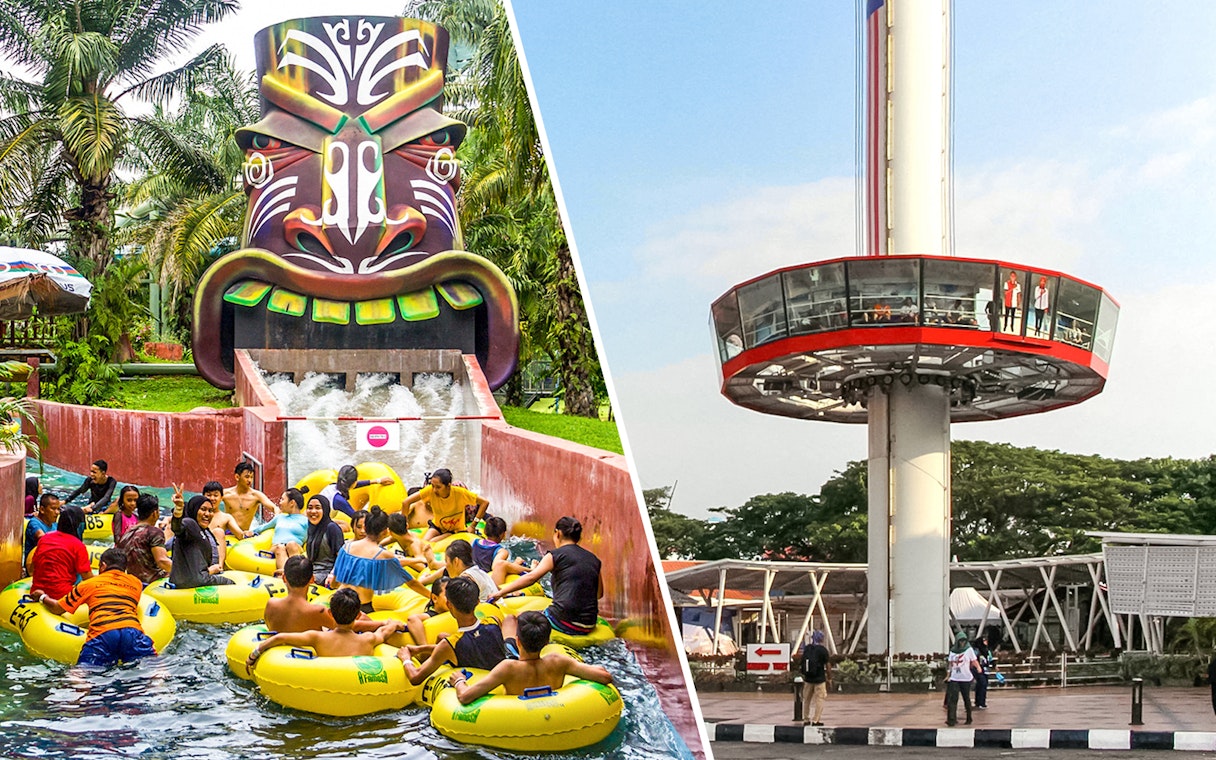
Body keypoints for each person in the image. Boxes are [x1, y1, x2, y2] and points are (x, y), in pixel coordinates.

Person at [447, 610, 613, 705]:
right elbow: (605, 676)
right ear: (547, 641)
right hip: (556, 715)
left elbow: (465, 697)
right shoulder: (558, 661)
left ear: (519, 641)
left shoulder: (508, 668)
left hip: (518, 722)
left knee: (508, 632)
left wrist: (459, 681)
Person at [35, 547, 157, 667]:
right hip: (132, 631)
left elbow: (57, 608)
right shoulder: (136, 583)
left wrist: (42, 597)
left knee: (81, 675)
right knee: (154, 670)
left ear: (103, 566)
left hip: (103, 632)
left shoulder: (88, 584)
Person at [489, 516, 602, 637]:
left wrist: (499, 593)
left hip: (562, 620)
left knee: (512, 620)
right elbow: (599, 594)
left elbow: (531, 578)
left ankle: (512, 649)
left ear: (557, 533)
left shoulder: (555, 555)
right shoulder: (594, 559)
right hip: (589, 623)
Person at [398, 576, 517, 685]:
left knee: (443, 638)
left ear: (449, 605)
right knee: (442, 636)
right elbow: (480, 644)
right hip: (503, 676)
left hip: (478, 683)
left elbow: (415, 677)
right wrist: (422, 648)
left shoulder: (449, 645)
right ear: (477, 602)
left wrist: (405, 658)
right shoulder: (494, 621)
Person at [246, 587, 401, 668]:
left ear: (329, 613)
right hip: (357, 685)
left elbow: (280, 637)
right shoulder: (368, 639)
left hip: (325, 680)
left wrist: (253, 655)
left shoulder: (317, 637)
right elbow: (384, 632)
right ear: (358, 615)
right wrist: (393, 624)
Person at [404, 539, 497, 646]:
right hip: (495, 615)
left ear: (456, 561)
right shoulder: (479, 572)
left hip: (483, 618)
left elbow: (461, 609)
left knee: (441, 636)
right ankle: (433, 564)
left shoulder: (465, 581)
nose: (446, 566)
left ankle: (424, 648)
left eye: (447, 562)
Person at [264, 555, 389, 633]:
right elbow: (348, 626)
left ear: (284, 578)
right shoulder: (317, 611)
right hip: (308, 661)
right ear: (312, 580)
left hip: (277, 660)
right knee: (360, 616)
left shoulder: (271, 604)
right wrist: (383, 623)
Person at [331, 506, 416, 613]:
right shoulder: (383, 555)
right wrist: (430, 596)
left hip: (338, 601)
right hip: (361, 606)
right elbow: (411, 582)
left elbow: (334, 582)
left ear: (366, 527)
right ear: (386, 531)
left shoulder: (346, 547)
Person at [168, 492, 234, 588]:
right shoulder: (189, 524)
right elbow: (177, 528)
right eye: (203, 509)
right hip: (197, 581)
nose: (207, 514)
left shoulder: (204, 531)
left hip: (200, 577)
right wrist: (178, 509)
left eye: (210, 510)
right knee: (231, 584)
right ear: (194, 510)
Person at [402, 469, 489, 541]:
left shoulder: (460, 493)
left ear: (448, 486)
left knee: (432, 542)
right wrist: (404, 526)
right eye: (433, 486)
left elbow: (485, 502)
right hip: (437, 526)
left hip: (455, 530)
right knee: (424, 543)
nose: (435, 490)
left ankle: (447, 535)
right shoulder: (430, 491)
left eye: (438, 487)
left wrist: (473, 525)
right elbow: (406, 502)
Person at [29, 505, 94, 601]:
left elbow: (32, 568)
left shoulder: (44, 539)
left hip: (36, 590)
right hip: (62, 595)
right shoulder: (78, 546)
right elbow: (88, 579)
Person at [116, 493, 172, 585]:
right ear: (154, 513)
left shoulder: (127, 534)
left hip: (134, 582)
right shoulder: (154, 532)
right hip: (153, 582)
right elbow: (162, 561)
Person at [253, 489, 308, 576]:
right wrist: (249, 532)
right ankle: (286, 575)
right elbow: (263, 527)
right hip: (276, 548)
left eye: (282, 499)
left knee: (291, 544)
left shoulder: (305, 521)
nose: (280, 503)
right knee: (280, 547)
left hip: (295, 547)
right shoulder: (279, 517)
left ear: (292, 503)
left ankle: (296, 573)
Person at [473, 516, 535, 587]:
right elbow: (498, 567)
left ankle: (517, 565)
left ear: (485, 531)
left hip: (475, 577)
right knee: (503, 565)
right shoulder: (501, 551)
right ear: (502, 534)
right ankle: (531, 570)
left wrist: (515, 564)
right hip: (488, 582)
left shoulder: (474, 542)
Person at [222, 461, 278, 533]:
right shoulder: (225, 493)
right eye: (247, 477)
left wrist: (278, 516)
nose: (250, 480)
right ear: (237, 477)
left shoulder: (256, 495)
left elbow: (274, 507)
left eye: (251, 477)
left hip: (244, 534)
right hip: (227, 533)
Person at [304, 493, 346, 586]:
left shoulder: (332, 528)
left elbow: (341, 556)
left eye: (318, 508)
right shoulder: (311, 528)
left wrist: (332, 575)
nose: (313, 511)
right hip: (312, 572)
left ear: (325, 510)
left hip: (327, 575)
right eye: (310, 508)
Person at [328, 465, 395, 519]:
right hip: (320, 526)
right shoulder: (339, 500)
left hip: (323, 518)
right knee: (345, 527)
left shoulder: (333, 486)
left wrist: (378, 481)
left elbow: (354, 485)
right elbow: (356, 517)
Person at [945, 630, 980, 726]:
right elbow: (950, 664)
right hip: (955, 678)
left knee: (966, 698)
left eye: (964, 641)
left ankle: (969, 718)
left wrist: (978, 668)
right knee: (952, 699)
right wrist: (948, 675)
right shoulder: (952, 651)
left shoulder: (969, 650)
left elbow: (974, 660)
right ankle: (951, 719)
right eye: (960, 641)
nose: (962, 643)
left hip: (965, 678)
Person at [799, 630, 831, 726]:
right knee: (819, 699)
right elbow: (828, 665)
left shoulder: (808, 648)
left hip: (808, 679)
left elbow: (802, 662)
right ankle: (816, 720)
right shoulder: (823, 650)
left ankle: (806, 719)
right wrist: (829, 678)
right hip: (819, 679)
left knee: (807, 699)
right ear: (821, 639)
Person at [23, 492, 61, 571]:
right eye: (53, 509)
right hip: (34, 568)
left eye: (58, 509)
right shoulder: (34, 523)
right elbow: (42, 538)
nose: (57, 512)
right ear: (42, 509)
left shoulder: (55, 525)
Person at [972, 634, 993, 709]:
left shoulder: (987, 650)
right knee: (982, 684)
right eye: (984, 640)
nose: (986, 642)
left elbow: (990, 659)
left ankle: (981, 702)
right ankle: (980, 702)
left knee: (983, 685)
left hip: (986, 670)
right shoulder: (976, 650)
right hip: (978, 669)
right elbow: (973, 659)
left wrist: (994, 665)